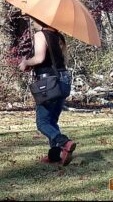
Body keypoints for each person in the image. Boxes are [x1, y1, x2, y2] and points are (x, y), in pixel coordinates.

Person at [19, 17, 76, 166]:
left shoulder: (40, 34)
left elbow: (39, 58)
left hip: (48, 84)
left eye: (33, 19)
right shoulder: (58, 36)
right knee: (51, 121)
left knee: (42, 123)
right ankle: (54, 155)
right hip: (63, 80)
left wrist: (26, 62)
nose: (31, 21)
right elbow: (56, 61)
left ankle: (65, 142)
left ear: (40, 19)